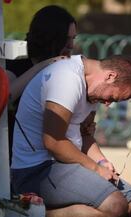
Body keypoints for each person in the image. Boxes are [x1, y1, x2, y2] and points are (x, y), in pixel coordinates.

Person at [11, 54, 131, 217]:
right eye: (112, 98)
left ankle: (61, 209)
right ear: (110, 76)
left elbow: (85, 136)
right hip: (37, 169)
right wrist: (96, 169)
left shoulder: (94, 89)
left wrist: (102, 162)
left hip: (65, 165)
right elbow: (53, 142)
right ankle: (33, 215)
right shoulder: (68, 78)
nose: (108, 103)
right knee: (116, 206)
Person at [6, 5, 78, 163]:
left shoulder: (66, 67)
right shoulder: (18, 60)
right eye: (66, 39)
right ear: (50, 37)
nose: (71, 45)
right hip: (15, 153)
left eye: (73, 38)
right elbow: (6, 96)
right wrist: (45, 65)